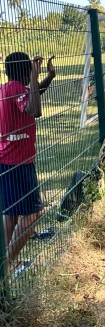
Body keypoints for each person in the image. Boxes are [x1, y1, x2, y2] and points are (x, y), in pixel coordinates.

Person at [0, 52, 56, 268]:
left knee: (12, 214)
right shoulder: (15, 88)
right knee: (32, 214)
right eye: (31, 71)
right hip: (17, 163)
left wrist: (48, 78)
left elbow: (32, 97)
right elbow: (35, 109)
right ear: (25, 71)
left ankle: (4, 262)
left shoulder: (9, 88)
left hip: (9, 161)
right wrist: (34, 75)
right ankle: (7, 264)